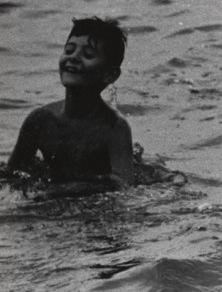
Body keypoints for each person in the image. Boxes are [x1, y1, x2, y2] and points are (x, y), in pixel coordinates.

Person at [2, 17, 134, 197]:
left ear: (109, 74)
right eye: (69, 50)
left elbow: (124, 184)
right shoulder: (40, 120)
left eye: (87, 55)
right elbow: (12, 174)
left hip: (94, 208)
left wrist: (62, 191)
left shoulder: (113, 127)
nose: (73, 57)